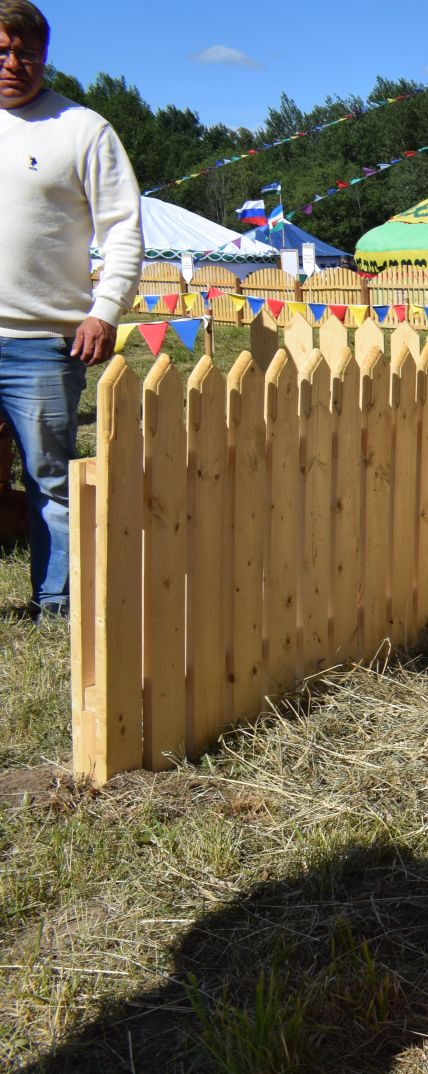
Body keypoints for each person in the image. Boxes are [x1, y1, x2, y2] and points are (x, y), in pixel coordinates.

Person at [0, 0, 141, 621]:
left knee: (51, 481)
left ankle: (54, 605)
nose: (13, 63)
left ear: (45, 56)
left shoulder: (83, 129)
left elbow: (123, 230)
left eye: (25, 52)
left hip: (42, 341)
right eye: (1, 51)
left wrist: (104, 310)